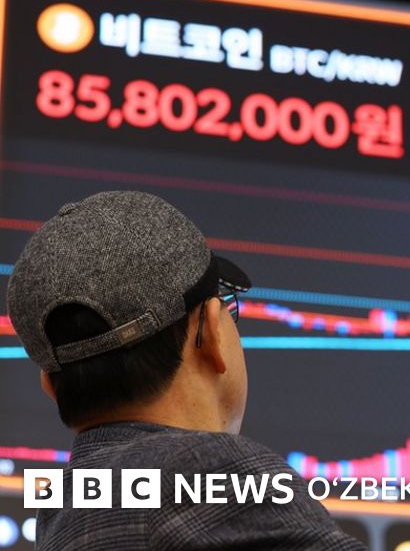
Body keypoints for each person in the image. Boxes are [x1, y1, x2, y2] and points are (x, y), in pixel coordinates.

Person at [7, 190, 366, 550]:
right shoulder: (213, 475)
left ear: (49, 386)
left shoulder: (61, 511)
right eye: (228, 306)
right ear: (210, 333)